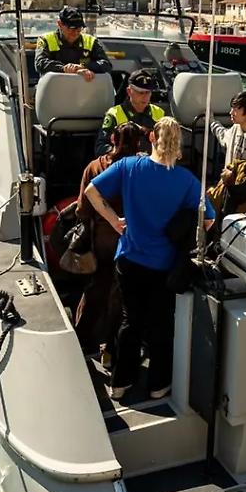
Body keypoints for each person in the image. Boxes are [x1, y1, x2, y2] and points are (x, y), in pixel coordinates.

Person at [84, 117, 215, 400]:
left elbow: (91, 192)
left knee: (130, 321)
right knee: (160, 324)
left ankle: (119, 383)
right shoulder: (188, 182)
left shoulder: (129, 167)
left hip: (129, 259)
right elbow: (208, 222)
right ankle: (158, 385)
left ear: (152, 138)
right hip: (164, 265)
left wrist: (115, 222)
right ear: (179, 144)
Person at [74, 121, 146, 366]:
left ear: (113, 139)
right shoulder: (141, 169)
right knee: (121, 297)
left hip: (101, 242)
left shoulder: (95, 167)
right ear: (139, 143)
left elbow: (83, 208)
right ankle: (110, 349)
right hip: (131, 242)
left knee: (94, 291)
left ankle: (82, 341)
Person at [95, 70, 166, 155]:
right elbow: (100, 148)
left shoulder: (159, 113)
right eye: (140, 92)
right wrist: (127, 154)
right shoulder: (114, 114)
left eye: (148, 92)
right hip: (124, 165)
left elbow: (169, 144)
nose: (145, 96)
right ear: (129, 91)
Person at [34, 6, 112, 79]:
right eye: (71, 28)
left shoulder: (91, 41)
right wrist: (65, 69)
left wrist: (83, 67)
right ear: (60, 24)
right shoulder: (45, 40)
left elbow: (106, 65)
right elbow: (40, 63)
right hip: (54, 88)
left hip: (83, 89)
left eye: (79, 28)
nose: (75, 33)